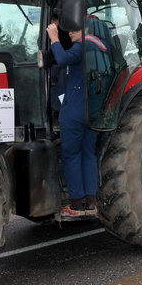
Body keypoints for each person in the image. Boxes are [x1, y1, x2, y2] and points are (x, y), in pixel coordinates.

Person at [46, 21, 107, 218]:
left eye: (74, 30)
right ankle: (91, 201)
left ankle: (76, 204)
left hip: (74, 110)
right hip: (92, 111)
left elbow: (62, 59)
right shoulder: (99, 47)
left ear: (85, 30)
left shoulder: (83, 46)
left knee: (71, 155)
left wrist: (54, 38)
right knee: (88, 154)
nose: (70, 33)